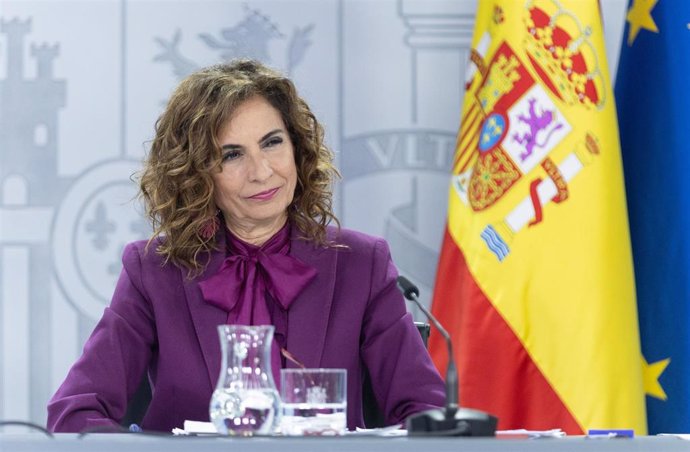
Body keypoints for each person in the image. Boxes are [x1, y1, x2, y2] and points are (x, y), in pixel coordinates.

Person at [47, 59, 445, 433]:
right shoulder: (153, 270)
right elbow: (73, 414)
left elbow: (426, 414)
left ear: (297, 148)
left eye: (272, 143)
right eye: (232, 155)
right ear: (196, 174)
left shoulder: (362, 264)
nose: (261, 172)